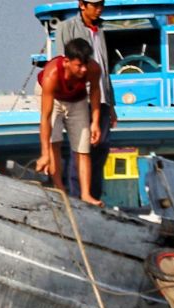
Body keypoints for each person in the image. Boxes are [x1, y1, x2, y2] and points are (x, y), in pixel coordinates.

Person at [56, 0, 117, 196]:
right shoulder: (66, 27)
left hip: (102, 99)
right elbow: (62, 63)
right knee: (81, 149)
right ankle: (76, 197)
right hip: (80, 98)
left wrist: (112, 105)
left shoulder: (101, 29)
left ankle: (93, 196)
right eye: (95, 5)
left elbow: (105, 70)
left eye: (102, 4)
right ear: (82, 5)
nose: (99, 9)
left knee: (102, 148)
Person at [35, 39, 105, 205]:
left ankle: (86, 195)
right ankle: (60, 190)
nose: (83, 70)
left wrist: (95, 122)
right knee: (55, 142)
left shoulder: (93, 69)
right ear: (66, 61)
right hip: (52, 99)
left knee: (83, 147)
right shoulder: (51, 74)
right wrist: (44, 154)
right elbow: (45, 119)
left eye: (85, 65)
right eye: (79, 65)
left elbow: (95, 91)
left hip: (77, 99)